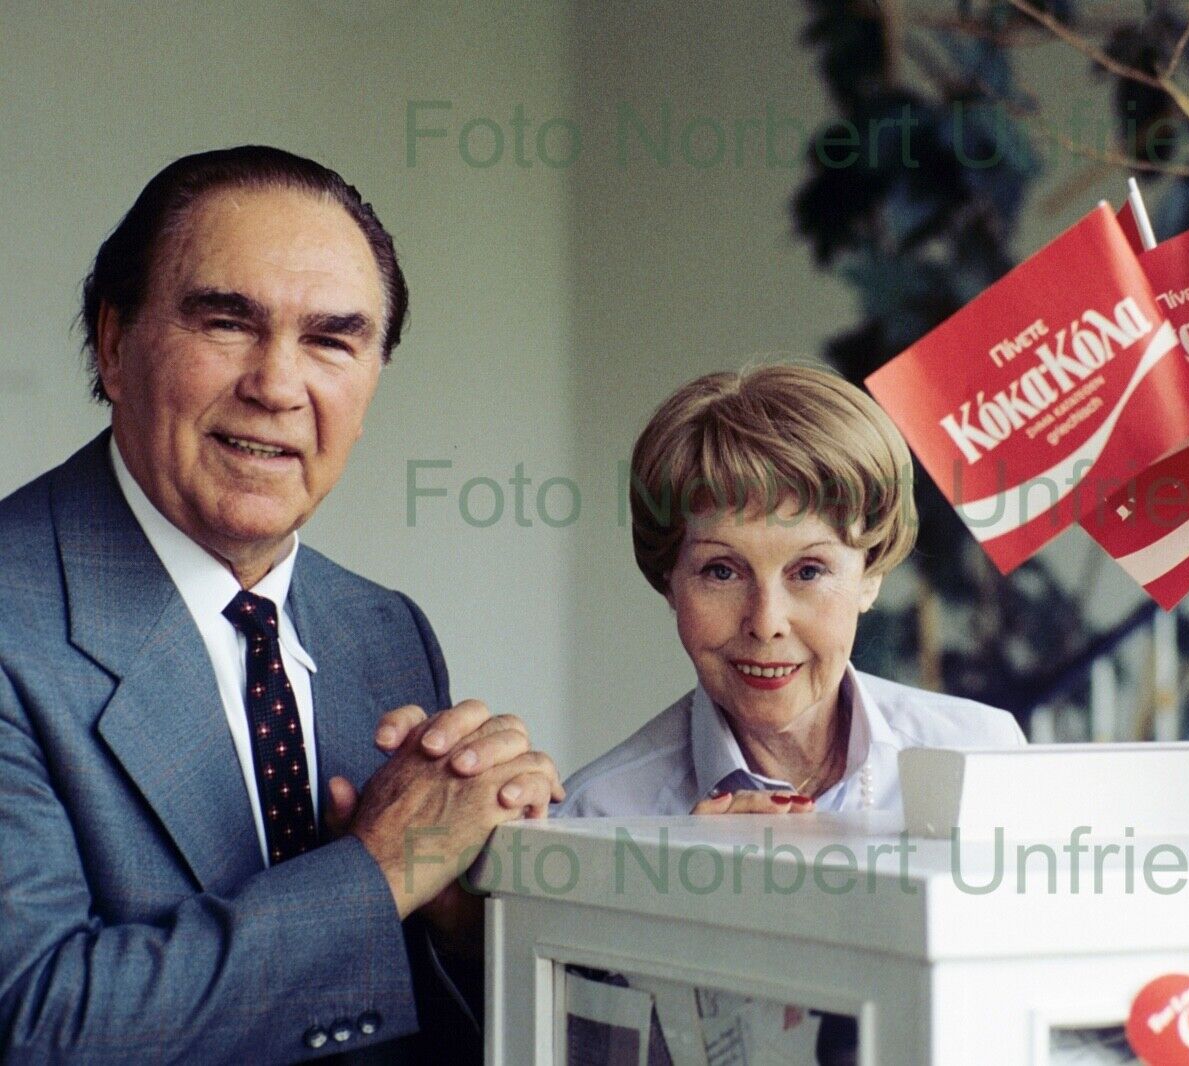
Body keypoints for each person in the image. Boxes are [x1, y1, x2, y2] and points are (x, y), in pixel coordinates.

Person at [0, 146, 563, 1063]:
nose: (277, 386)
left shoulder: (386, 632)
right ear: (112, 343)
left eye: (332, 340)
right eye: (228, 323)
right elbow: (35, 1024)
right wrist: (381, 873)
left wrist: (469, 919)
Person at [557, 364, 1025, 818]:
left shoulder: (984, 754)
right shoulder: (599, 813)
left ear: (870, 574)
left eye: (808, 571)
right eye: (722, 572)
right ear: (669, 581)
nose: (766, 623)